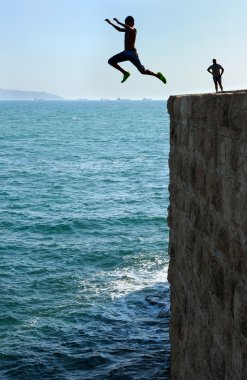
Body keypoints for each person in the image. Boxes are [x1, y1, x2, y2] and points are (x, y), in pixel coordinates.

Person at [105, 16, 167, 84]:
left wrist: (118, 22)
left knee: (142, 71)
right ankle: (125, 73)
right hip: (125, 53)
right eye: (126, 23)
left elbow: (128, 27)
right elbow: (119, 29)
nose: (126, 25)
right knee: (111, 61)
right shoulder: (127, 29)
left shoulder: (133, 29)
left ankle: (158, 75)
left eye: (127, 23)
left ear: (132, 23)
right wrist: (110, 23)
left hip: (132, 54)